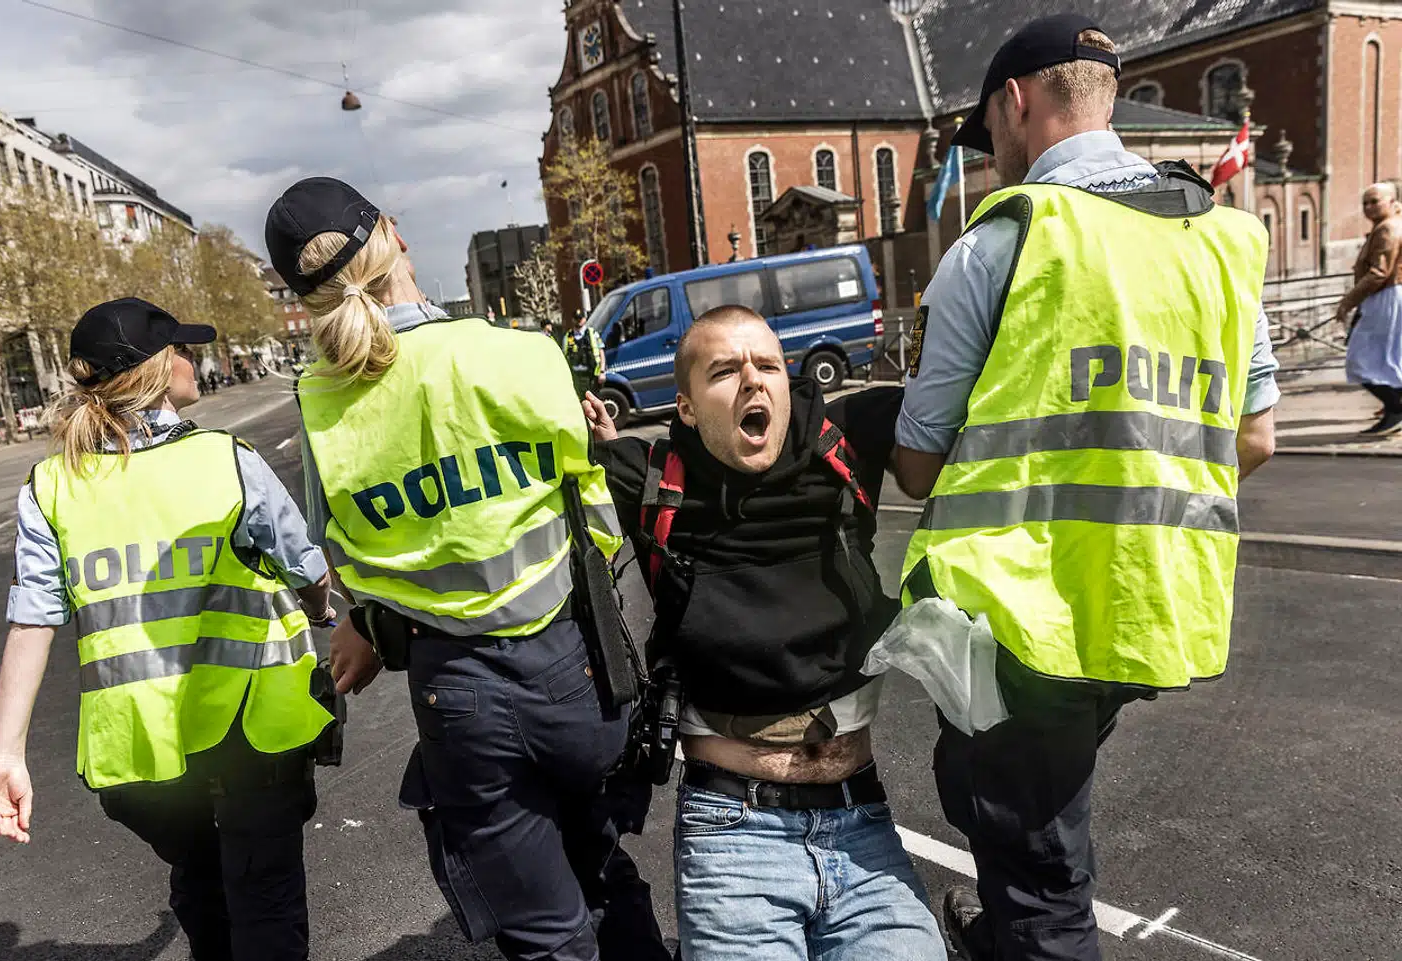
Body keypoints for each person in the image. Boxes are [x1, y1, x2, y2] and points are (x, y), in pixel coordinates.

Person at [891, 16, 1278, 961]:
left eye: (991, 132)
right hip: (1147, 605)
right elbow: (1256, 437)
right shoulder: (1220, 237)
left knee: (1041, 885)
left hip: (1023, 619)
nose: (992, 156)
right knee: (1041, 833)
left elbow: (917, 462)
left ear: (1016, 101)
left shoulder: (1009, 238)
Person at [267, 176, 668, 961]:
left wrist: (372, 621)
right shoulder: (519, 353)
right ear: (394, 236)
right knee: (599, 864)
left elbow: (345, 559)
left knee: (545, 929)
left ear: (307, 299)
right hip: (574, 666)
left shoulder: (320, 401)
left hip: (457, 693)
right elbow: (595, 521)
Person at [0, 297, 338, 961]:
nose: (194, 361)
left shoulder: (51, 485)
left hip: (138, 750)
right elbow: (307, 569)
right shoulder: (226, 459)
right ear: (160, 369)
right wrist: (320, 613)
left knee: (200, 879)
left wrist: (6, 756)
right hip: (250, 727)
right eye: (184, 350)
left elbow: (32, 622)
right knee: (265, 895)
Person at [583, 305, 948, 961]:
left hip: (862, 825)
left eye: (768, 365)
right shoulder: (651, 477)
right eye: (725, 370)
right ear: (687, 406)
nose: (753, 379)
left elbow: (969, 391)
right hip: (732, 837)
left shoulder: (844, 439)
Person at [1337, 182, 1402, 434]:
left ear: (1391, 202)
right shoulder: (1390, 224)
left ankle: (1395, 408)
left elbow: (1379, 272)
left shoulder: (1387, 228)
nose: (1369, 207)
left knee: (1360, 360)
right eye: (1365, 203)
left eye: (1375, 201)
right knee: (1390, 357)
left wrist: (1348, 302)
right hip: (1388, 295)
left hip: (1385, 296)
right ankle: (1393, 406)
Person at [565, 307, 606, 399]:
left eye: (580, 318)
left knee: (594, 401)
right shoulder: (568, 336)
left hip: (591, 376)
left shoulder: (592, 333)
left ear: (585, 319)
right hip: (576, 378)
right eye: (576, 318)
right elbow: (564, 356)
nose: (579, 321)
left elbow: (601, 352)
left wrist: (602, 371)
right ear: (573, 320)